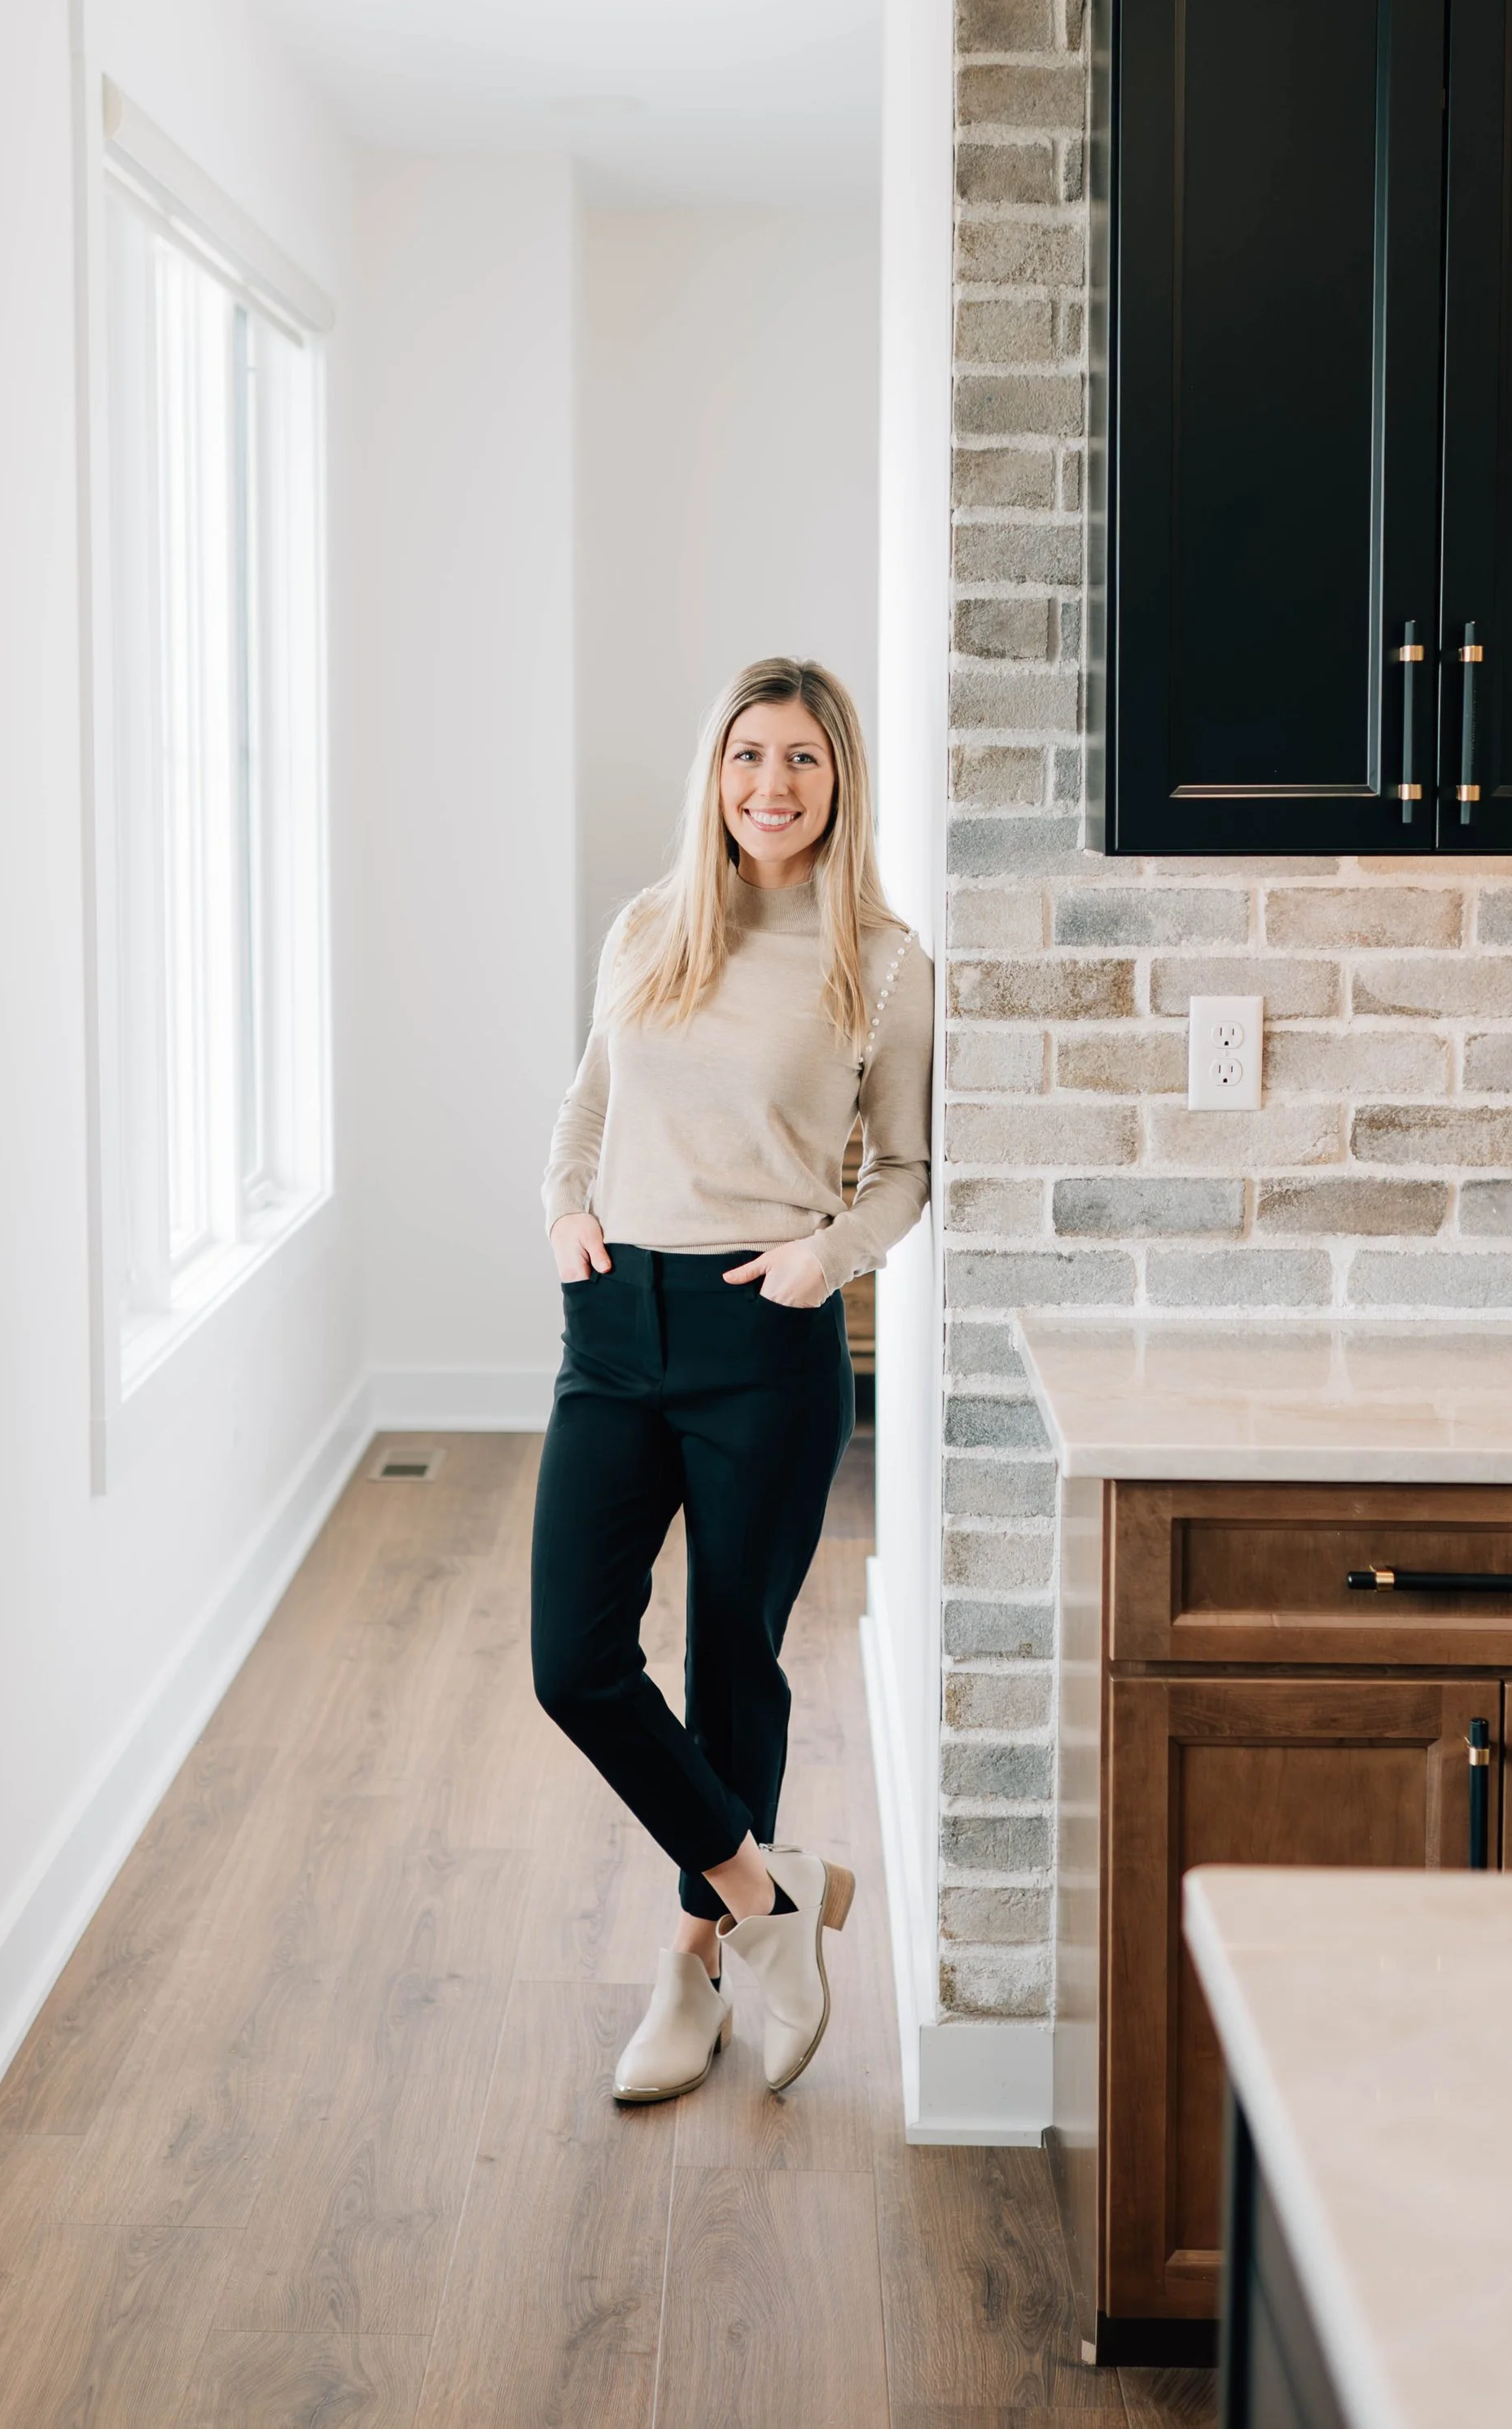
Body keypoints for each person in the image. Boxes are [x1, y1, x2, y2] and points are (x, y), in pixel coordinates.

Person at [532, 655, 934, 2104]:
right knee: (572, 1657)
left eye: (805, 760)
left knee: (730, 1666)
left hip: (765, 1332)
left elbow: (906, 1171)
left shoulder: (880, 958)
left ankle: (695, 1964)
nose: (773, 785)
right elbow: (587, 1104)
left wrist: (832, 1261)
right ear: (715, 771)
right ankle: (776, 1896)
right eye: (750, 755)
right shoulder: (650, 928)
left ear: (841, 781)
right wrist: (566, 1205)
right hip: (615, 1327)